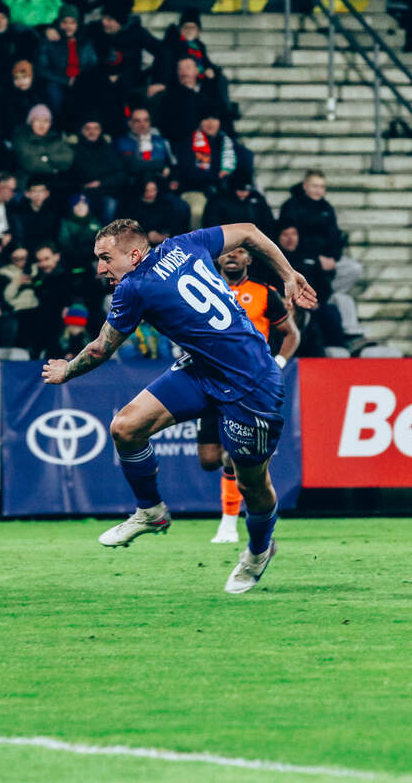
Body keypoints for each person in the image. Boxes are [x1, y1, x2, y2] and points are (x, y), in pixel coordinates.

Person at [41, 219, 317, 594]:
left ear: (134, 255)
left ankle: (258, 550)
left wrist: (67, 370)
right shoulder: (185, 244)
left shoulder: (134, 288)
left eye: (106, 258)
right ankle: (151, 511)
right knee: (125, 427)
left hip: (251, 383)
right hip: (201, 370)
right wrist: (288, 274)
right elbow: (250, 231)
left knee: (252, 483)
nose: (101, 268)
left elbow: (101, 349)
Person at [197, 245, 301, 544]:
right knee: (209, 459)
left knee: (234, 455)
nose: (232, 255)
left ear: (249, 259)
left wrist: (278, 362)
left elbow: (291, 334)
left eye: (240, 251)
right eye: (228, 251)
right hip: (211, 377)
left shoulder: (264, 293)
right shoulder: (203, 288)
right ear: (218, 257)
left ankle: (229, 523)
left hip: (249, 383)